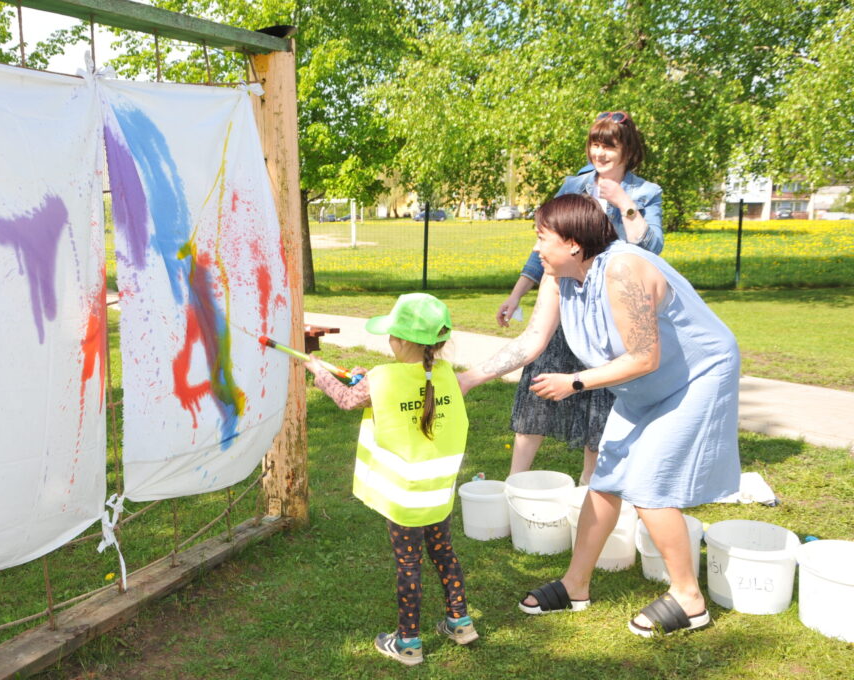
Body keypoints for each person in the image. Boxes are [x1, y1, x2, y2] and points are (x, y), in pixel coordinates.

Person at [461, 194, 740, 636]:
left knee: (649, 482)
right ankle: (576, 585)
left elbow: (645, 356)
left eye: (541, 237)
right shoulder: (561, 276)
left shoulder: (624, 270)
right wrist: (469, 379)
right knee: (606, 479)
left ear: (573, 243)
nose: (535, 249)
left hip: (695, 377)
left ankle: (689, 600)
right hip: (641, 384)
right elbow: (532, 341)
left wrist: (575, 382)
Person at [305, 293, 477, 665]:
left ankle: (409, 644)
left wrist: (320, 374)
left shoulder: (383, 378)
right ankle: (461, 622)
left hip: (403, 495)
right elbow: (401, 389)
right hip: (436, 491)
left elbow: (349, 399)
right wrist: (365, 379)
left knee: (408, 564)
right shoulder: (444, 373)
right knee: (444, 551)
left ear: (398, 340)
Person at [496, 111, 663, 484]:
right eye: (595, 144)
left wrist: (624, 203)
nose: (599, 153)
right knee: (536, 388)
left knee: (600, 400)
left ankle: (587, 491)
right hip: (565, 301)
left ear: (627, 148)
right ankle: (514, 483)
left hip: (609, 312)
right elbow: (546, 242)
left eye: (609, 145)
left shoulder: (645, 193)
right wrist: (517, 294)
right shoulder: (574, 184)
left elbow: (651, 248)